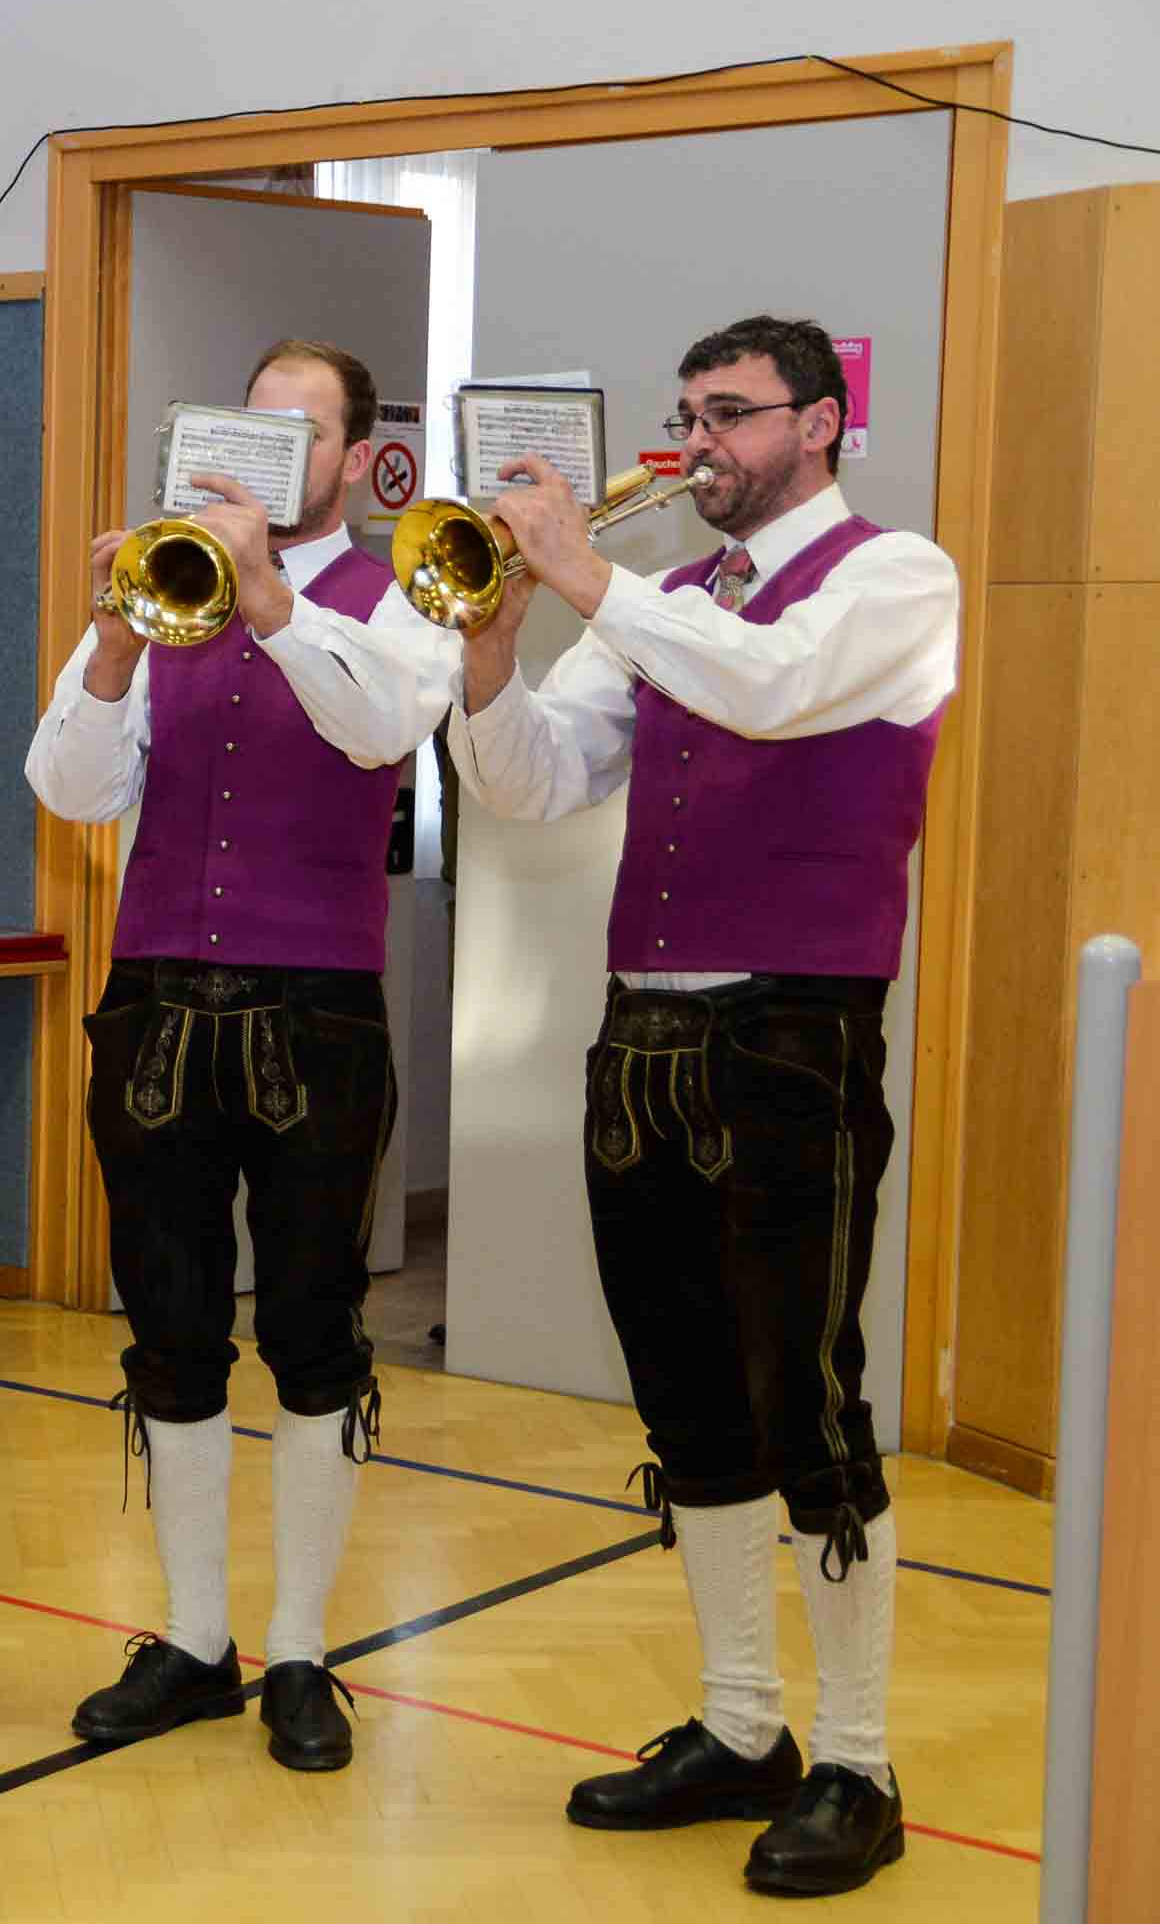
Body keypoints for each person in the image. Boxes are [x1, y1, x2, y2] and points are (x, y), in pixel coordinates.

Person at [449, 314, 958, 1896]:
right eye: (687, 414)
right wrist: (492, 642)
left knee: (806, 1400)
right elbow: (531, 783)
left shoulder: (896, 578)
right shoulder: (670, 602)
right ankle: (744, 1724)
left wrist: (588, 576)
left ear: (820, 423)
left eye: (729, 414)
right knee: (687, 1400)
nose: (697, 445)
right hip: (642, 1040)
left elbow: (776, 693)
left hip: (793, 1037)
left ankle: (860, 1761)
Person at [26, 338, 456, 1770]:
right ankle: (197, 1637)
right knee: (171, 1326)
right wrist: (112, 643)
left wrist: (267, 595)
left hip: (315, 1009)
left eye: (302, 434)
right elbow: (67, 788)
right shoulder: (171, 590)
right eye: (252, 428)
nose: (273, 453)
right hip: (157, 1000)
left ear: (355, 458)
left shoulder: (403, 596)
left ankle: (302, 1651)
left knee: (314, 1332)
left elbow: (380, 727)